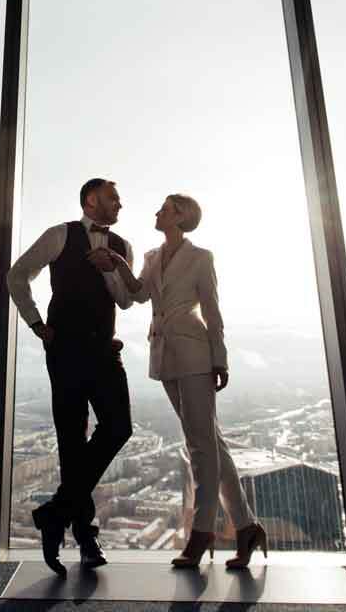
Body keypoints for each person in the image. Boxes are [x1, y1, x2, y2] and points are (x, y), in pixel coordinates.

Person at [108, 193, 268, 569]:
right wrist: (116, 263)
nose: (157, 212)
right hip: (165, 355)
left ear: (180, 217)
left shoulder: (201, 258)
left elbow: (212, 311)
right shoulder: (150, 257)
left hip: (196, 354)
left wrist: (220, 358)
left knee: (199, 446)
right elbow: (139, 293)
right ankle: (246, 527)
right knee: (211, 443)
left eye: (164, 208)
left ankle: (201, 532)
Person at [6, 178, 135, 576]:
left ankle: (55, 512)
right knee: (71, 442)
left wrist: (112, 269)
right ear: (91, 201)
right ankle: (86, 536)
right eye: (114, 198)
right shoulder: (59, 235)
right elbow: (17, 276)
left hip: (104, 349)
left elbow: (126, 300)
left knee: (119, 427)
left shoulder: (122, 247)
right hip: (64, 352)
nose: (120, 204)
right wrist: (36, 324)